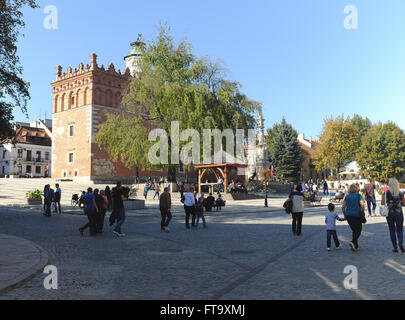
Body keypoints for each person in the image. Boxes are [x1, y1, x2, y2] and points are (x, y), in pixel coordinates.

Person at [381, 178, 405, 253]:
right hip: (398, 213)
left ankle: (395, 248)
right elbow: (404, 203)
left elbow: (382, 203)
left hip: (389, 213)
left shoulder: (386, 193)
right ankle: (400, 242)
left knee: (392, 230)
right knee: (399, 230)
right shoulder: (400, 193)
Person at [342, 184, 365, 252]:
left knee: (354, 230)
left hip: (348, 215)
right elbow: (362, 204)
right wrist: (362, 212)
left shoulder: (347, 196)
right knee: (358, 230)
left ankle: (355, 246)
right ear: (356, 189)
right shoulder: (358, 195)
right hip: (356, 215)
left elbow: (343, 207)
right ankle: (353, 241)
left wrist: (344, 214)